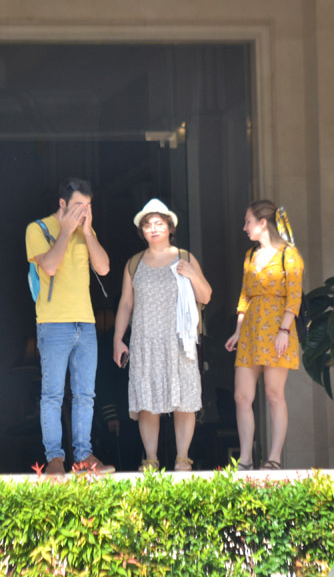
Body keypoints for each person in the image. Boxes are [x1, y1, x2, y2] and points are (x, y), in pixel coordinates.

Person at [113, 199, 212, 471]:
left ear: (170, 227)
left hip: (179, 341)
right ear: (142, 231)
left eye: (159, 223)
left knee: (184, 400)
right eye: (148, 225)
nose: (153, 229)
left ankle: (182, 458)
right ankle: (151, 458)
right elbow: (126, 304)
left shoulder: (185, 257)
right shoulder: (134, 263)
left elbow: (206, 296)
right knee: (147, 401)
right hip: (145, 341)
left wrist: (192, 274)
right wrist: (118, 339)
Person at [26, 178, 113, 476]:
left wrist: (87, 232)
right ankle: (55, 458)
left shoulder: (87, 231)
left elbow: (104, 268)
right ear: (62, 204)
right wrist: (65, 231)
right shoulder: (38, 229)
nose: (83, 212)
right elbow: (49, 266)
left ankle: (84, 455)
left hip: (85, 323)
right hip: (53, 323)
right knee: (52, 394)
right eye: (78, 206)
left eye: (88, 206)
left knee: (85, 394)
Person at [224, 199, 303, 470]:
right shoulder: (250, 255)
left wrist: (284, 330)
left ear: (262, 223)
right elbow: (244, 296)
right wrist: (238, 331)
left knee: (273, 394)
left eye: (248, 222)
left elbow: (294, 297)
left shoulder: (288, 255)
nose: (244, 227)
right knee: (241, 396)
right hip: (251, 330)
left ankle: (274, 458)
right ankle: (245, 459)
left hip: (278, 328)